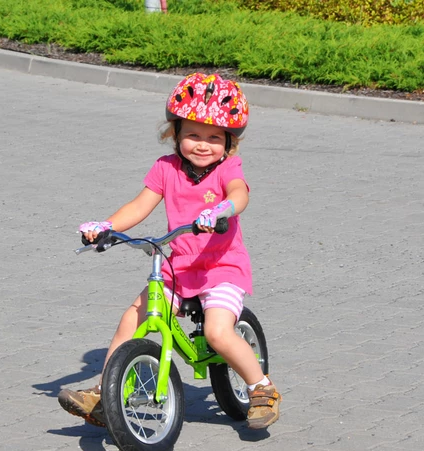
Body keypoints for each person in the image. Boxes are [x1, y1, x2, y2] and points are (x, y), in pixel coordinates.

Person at [58, 73, 281, 430]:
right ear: (175, 134)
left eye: (214, 137)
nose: (203, 145)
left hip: (221, 268)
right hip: (178, 266)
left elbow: (239, 194)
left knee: (218, 333)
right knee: (133, 317)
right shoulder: (166, 169)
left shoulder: (228, 169)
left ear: (229, 142)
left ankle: (261, 388)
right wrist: (106, 226)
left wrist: (221, 210)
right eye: (193, 134)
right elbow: (139, 206)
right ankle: (103, 391)